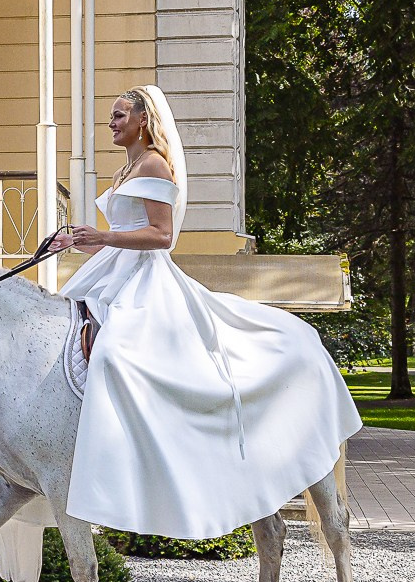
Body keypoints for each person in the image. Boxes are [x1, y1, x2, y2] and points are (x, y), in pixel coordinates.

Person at [46, 83, 362, 539]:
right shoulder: (128, 166)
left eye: (119, 115)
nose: (111, 123)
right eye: (111, 116)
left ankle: (145, 457)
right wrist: (81, 237)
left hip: (144, 276)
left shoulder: (153, 162)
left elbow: (161, 235)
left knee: (116, 355)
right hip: (113, 268)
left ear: (142, 119)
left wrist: (103, 238)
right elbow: (122, 227)